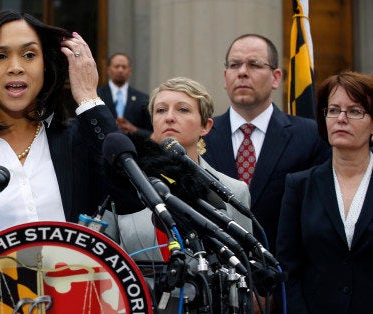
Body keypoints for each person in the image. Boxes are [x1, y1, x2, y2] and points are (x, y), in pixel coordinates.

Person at [0, 10, 132, 239]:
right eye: (0, 56)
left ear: (45, 65)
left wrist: (87, 96)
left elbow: (129, 197)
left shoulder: (75, 142)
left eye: (29, 55)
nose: (16, 67)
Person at [202, 34, 330, 253]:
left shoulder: (311, 136)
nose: (242, 72)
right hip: (219, 275)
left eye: (254, 64)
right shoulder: (202, 137)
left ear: (276, 77)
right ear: (225, 77)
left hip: (284, 273)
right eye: (234, 65)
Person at [105, 77, 251, 261]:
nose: (169, 117)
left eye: (183, 109)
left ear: (205, 126)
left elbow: (243, 272)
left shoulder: (234, 191)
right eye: (160, 110)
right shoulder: (123, 184)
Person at [277, 71, 373, 314]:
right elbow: (288, 270)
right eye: (333, 110)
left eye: (354, 111)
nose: (341, 119)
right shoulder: (299, 186)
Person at [97, 53, 152, 136]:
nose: (120, 70)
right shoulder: (97, 96)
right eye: (116, 66)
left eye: (124, 67)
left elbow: (152, 133)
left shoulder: (143, 99)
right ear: (108, 70)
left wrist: (134, 130)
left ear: (130, 71)